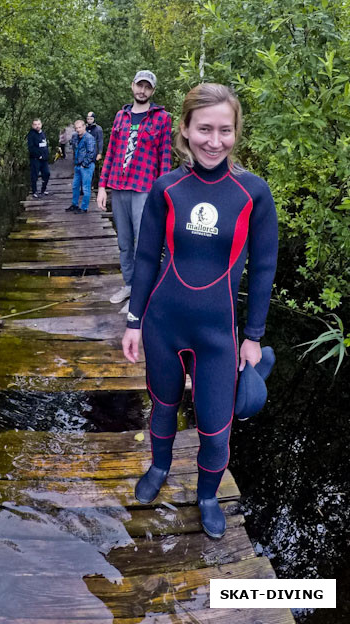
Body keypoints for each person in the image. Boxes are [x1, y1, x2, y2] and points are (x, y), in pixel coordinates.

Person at [121, 83, 278, 540]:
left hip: (218, 335)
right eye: (204, 129)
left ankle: (208, 495)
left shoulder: (253, 193)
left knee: (215, 424)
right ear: (185, 130)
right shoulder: (166, 187)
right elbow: (147, 258)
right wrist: (133, 321)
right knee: (164, 404)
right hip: (163, 324)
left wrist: (253, 334)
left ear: (236, 133)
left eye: (225, 130)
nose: (215, 140)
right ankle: (161, 466)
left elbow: (265, 265)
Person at [97, 70, 172, 308]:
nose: (142, 91)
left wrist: (164, 194)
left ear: (153, 91)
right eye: (139, 86)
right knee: (124, 243)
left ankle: (142, 293)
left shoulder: (161, 118)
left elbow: (165, 158)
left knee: (144, 244)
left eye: (147, 87)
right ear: (132, 86)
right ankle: (129, 285)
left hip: (145, 189)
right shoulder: (121, 116)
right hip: (118, 188)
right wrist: (101, 187)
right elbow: (110, 153)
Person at [65, 119, 96, 214]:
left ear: (84, 127)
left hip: (86, 166)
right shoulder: (75, 136)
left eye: (80, 127)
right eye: (76, 128)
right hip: (78, 165)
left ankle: (84, 208)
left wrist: (84, 164)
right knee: (75, 186)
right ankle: (74, 205)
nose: (78, 130)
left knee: (86, 187)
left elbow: (91, 152)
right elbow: (74, 148)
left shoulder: (89, 138)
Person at [26, 118, 50, 198]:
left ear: (41, 124)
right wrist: (38, 155)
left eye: (38, 124)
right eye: (35, 124)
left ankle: (43, 189)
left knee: (47, 173)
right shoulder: (31, 134)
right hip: (35, 159)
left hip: (44, 159)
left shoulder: (43, 133)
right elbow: (31, 147)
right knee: (34, 175)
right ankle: (34, 191)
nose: (37, 126)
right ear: (32, 125)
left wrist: (46, 155)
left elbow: (45, 145)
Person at [86, 111, 104, 189]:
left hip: (95, 151)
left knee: (95, 169)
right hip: (86, 152)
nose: (89, 120)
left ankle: (95, 185)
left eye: (91, 119)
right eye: (88, 119)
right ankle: (88, 185)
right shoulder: (85, 128)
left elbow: (100, 140)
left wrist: (100, 152)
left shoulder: (98, 129)